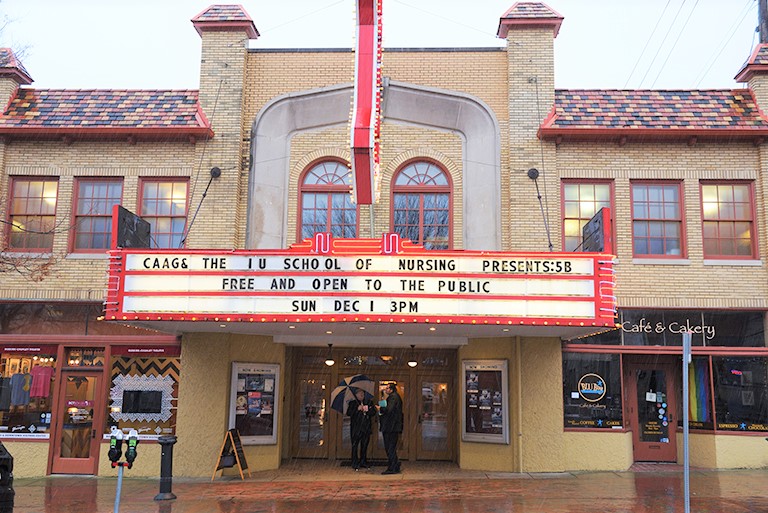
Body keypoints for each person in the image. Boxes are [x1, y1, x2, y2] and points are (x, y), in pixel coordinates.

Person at [346, 388, 376, 471]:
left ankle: (363, 461)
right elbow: (349, 413)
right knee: (355, 446)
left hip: (365, 428)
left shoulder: (369, 402)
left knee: (364, 446)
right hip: (356, 428)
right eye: (360, 394)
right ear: (356, 395)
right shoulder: (353, 403)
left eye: (363, 394)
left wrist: (368, 410)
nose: (362, 396)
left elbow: (373, 412)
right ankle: (355, 463)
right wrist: (357, 409)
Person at [377, 382, 403, 475]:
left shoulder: (393, 397)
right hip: (392, 427)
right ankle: (395, 465)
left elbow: (389, 409)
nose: (386, 390)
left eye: (387, 388)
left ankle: (392, 467)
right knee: (391, 447)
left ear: (391, 389)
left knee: (390, 447)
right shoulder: (395, 397)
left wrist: (380, 408)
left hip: (391, 427)